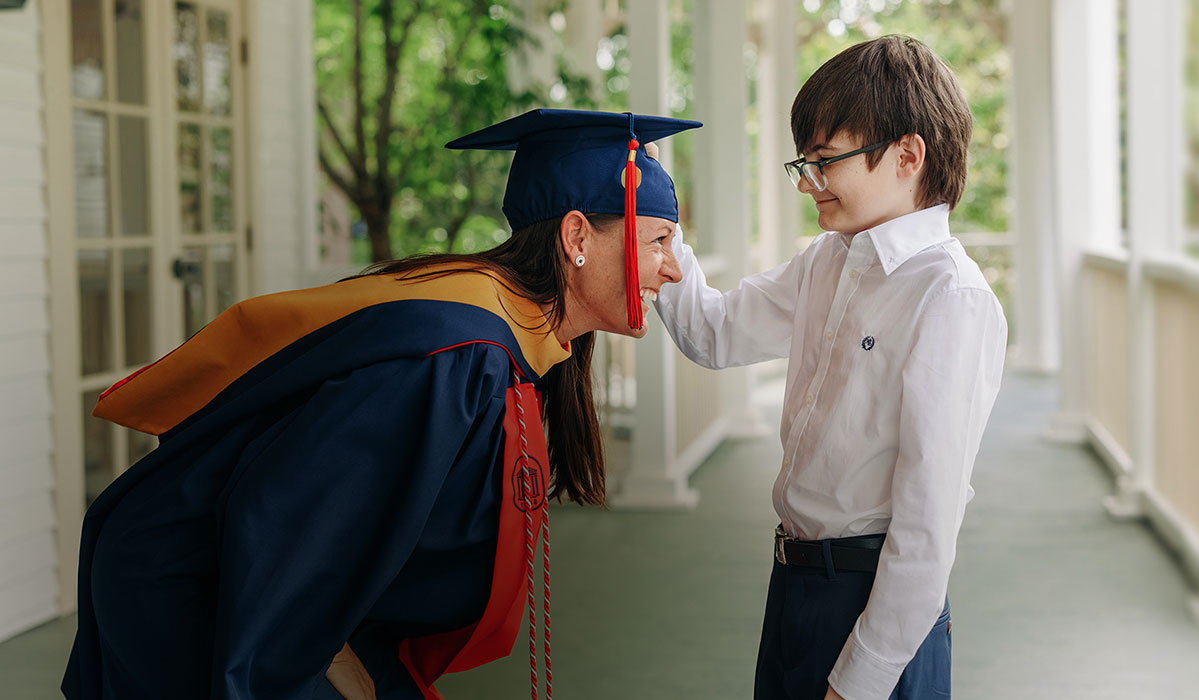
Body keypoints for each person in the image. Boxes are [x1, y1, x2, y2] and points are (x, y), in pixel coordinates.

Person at [61, 109, 696, 699]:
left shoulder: (509, 326)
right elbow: (283, 520)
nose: (673, 269)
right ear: (577, 235)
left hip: (280, 596)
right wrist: (332, 665)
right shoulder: (458, 358)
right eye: (659, 240)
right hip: (200, 597)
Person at [651, 35, 1006, 700]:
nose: (810, 183)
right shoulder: (828, 260)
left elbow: (928, 522)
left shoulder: (949, 297)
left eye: (825, 161)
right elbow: (714, 332)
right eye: (803, 165)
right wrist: (655, 229)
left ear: (907, 155)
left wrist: (861, 680)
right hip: (795, 582)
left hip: (876, 606)